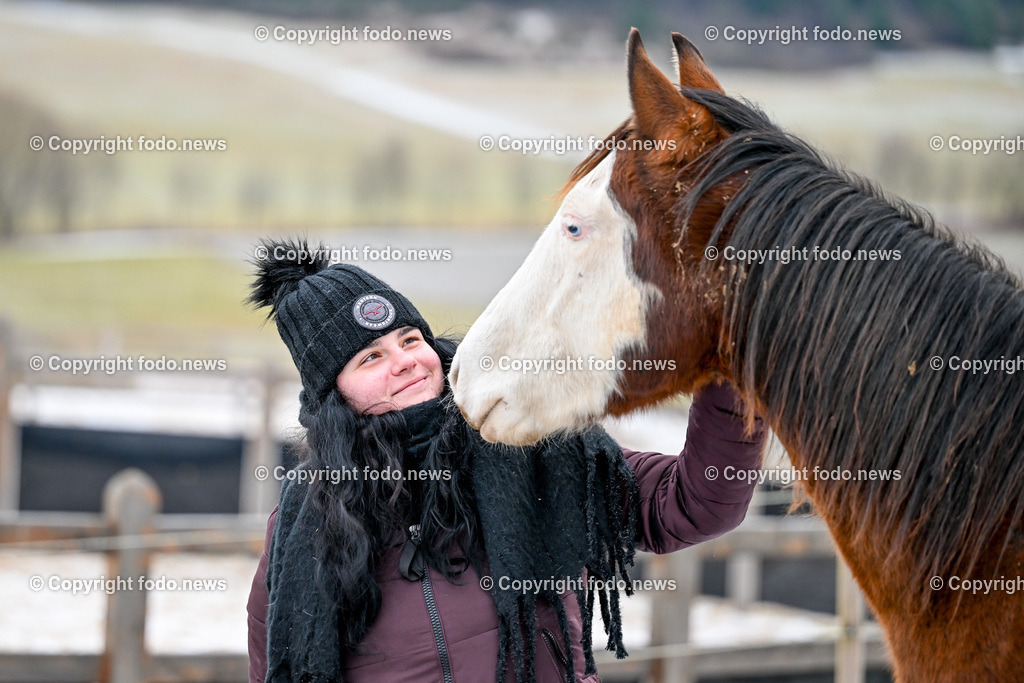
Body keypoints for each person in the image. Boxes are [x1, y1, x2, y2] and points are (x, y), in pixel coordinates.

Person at [245, 239, 766, 683]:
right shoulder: (304, 531)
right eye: (371, 357)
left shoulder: (534, 447)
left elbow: (697, 504)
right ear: (332, 397)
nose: (406, 359)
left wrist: (730, 368)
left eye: (409, 339)